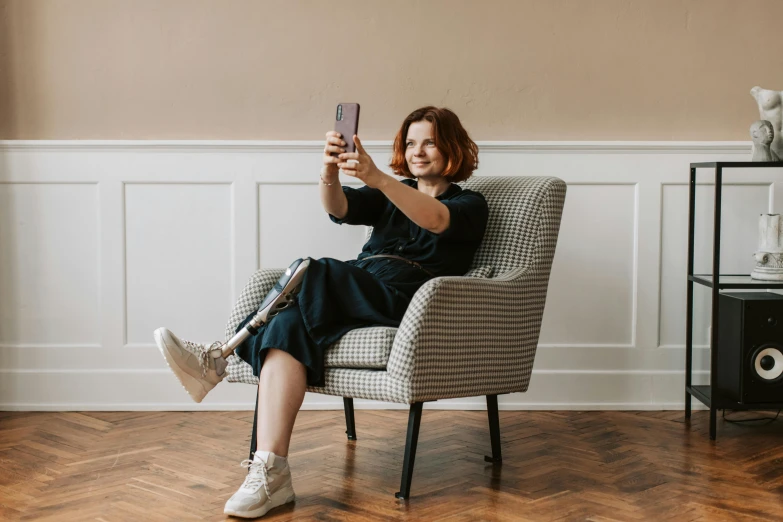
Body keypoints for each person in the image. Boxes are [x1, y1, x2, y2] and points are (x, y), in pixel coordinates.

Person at [154, 106, 489, 519]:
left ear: (451, 147)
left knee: (314, 269)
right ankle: (270, 474)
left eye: (430, 143)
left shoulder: (470, 203)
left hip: (407, 298)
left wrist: (378, 179)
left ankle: (219, 358)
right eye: (410, 143)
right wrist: (329, 171)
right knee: (288, 329)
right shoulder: (389, 194)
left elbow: (437, 220)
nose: (418, 152)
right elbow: (340, 208)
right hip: (357, 285)